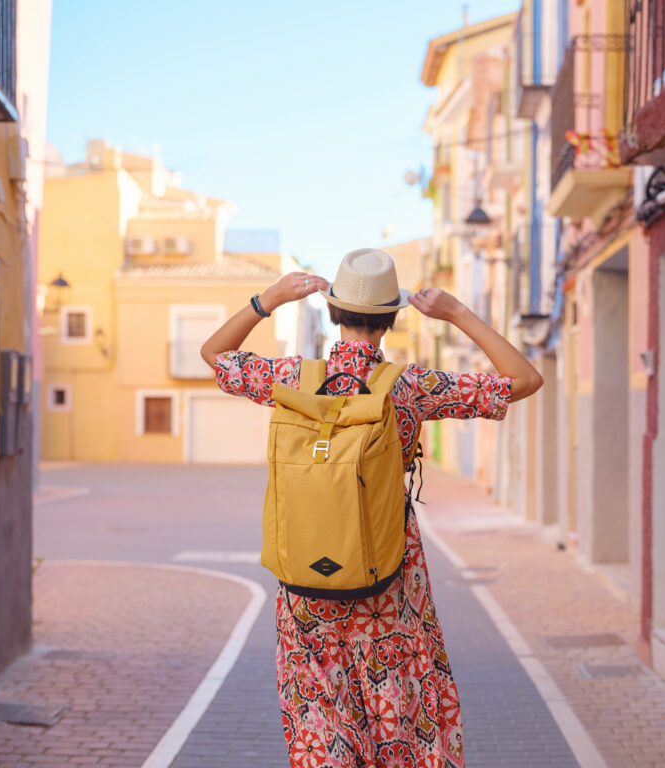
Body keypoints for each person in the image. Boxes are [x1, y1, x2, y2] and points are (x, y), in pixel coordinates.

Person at [200, 248, 542, 768]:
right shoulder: (411, 386)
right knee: (398, 726)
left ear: (334, 312)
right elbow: (523, 381)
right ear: (390, 320)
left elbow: (214, 355)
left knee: (322, 726)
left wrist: (268, 300)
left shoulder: (293, 379)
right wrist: (457, 313)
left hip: (307, 591)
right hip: (390, 586)